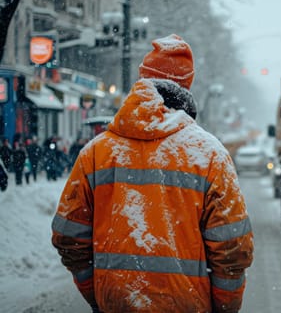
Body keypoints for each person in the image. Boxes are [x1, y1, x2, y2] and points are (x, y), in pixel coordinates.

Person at [51, 34, 254, 313]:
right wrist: (224, 306)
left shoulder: (96, 153)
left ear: (143, 80)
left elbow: (69, 237)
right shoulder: (209, 155)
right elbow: (232, 249)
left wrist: (96, 293)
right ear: (187, 86)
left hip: (116, 303)